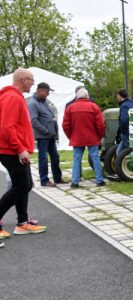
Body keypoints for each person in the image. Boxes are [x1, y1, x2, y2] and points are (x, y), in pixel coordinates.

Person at [0, 68, 48, 240]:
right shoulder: (12, 97)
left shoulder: (13, 96)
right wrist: (20, 149)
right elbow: (7, 127)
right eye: (31, 80)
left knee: (25, 185)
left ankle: (22, 223)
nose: (33, 83)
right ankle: (19, 222)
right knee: (21, 185)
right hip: (11, 150)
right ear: (22, 80)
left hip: (13, 149)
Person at [62, 88, 106, 188]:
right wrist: (99, 136)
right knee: (95, 158)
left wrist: (71, 136)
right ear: (87, 96)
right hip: (92, 137)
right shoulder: (94, 107)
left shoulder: (70, 108)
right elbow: (100, 124)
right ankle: (99, 180)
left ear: (77, 96)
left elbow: (65, 125)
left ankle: (75, 182)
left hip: (77, 137)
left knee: (77, 159)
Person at [28, 82, 63, 187]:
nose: (48, 94)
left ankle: (57, 178)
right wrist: (45, 131)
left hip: (50, 135)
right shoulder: (33, 103)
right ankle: (44, 180)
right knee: (43, 158)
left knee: (55, 157)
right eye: (47, 92)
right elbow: (33, 121)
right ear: (40, 91)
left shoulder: (44, 102)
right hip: (43, 136)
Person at [116, 88, 133, 156]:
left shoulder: (124, 106)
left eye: (117, 96)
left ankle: (122, 165)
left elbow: (124, 120)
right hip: (132, 130)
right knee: (119, 151)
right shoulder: (131, 103)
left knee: (121, 152)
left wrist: (122, 131)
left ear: (120, 96)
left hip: (126, 132)